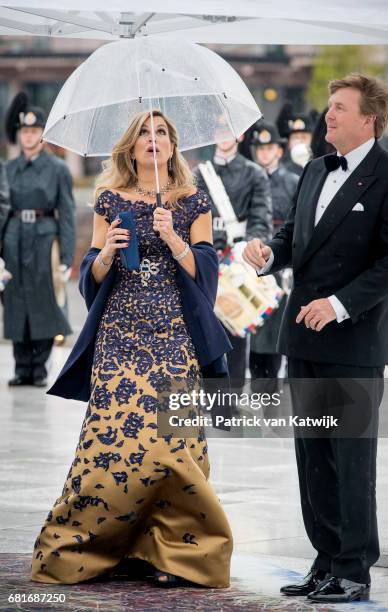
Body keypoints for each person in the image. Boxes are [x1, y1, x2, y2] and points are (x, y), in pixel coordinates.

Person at [31, 110, 233, 588]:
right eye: (144, 132)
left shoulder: (192, 200)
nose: (152, 139)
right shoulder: (108, 200)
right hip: (120, 335)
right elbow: (91, 276)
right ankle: (108, 547)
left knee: (173, 447)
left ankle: (178, 555)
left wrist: (172, 237)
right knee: (114, 446)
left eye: (161, 132)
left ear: (173, 144)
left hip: (173, 336)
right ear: (130, 144)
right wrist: (104, 254)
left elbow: (207, 274)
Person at [243, 74, 388, 603]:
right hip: (303, 338)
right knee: (313, 458)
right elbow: (293, 238)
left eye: (339, 108)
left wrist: (339, 305)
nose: (327, 116)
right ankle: (324, 560)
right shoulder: (314, 169)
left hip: (356, 340)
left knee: (351, 459)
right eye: (329, 107)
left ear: (369, 120)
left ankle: (354, 569)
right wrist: (269, 255)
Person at [3, 92, 76, 387]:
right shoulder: (8, 170)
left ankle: (39, 367)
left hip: (46, 239)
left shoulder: (58, 170)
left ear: (42, 136)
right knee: (15, 301)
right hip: (13, 237)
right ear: (19, 135)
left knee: (45, 303)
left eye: (34, 131)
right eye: (24, 131)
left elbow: (68, 213)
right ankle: (21, 368)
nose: (29, 136)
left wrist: (67, 258)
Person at [195, 133, 272, 399]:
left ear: (239, 135)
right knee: (204, 331)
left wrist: (247, 248)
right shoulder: (198, 175)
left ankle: (232, 397)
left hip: (237, 261)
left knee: (236, 332)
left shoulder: (254, 174)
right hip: (204, 260)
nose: (224, 137)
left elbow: (261, 218)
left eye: (229, 131)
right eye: (219, 130)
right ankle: (208, 396)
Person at [249, 122, 298, 396]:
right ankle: (258, 391)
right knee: (254, 334)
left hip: (281, 266)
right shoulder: (250, 178)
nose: (264, 154)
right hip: (253, 260)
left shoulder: (292, 181)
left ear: (279, 150)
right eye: (260, 148)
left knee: (277, 331)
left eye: (269, 148)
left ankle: (273, 394)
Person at [277, 102, 316, 176]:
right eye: (295, 138)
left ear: (312, 140)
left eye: (304, 137)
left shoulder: (320, 167)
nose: (300, 141)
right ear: (289, 143)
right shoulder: (280, 169)